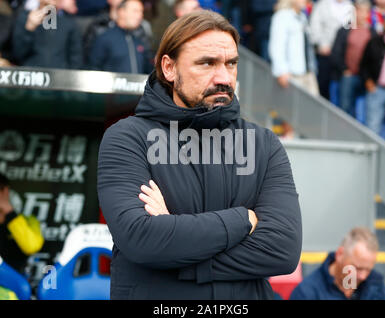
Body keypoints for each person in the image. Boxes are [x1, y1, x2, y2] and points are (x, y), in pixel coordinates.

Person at [97, 10, 302, 300]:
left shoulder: (263, 143)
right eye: (207, 63)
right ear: (169, 68)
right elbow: (141, 238)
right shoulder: (127, 138)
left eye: (231, 64)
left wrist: (177, 250)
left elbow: (282, 251)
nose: (223, 77)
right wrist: (242, 220)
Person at [290, 227, 385, 300]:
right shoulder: (306, 293)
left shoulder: (376, 283)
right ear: (340, 254)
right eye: (358, 268)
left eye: (368, 269)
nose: (363, 276)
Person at [331, 0, 376, 117]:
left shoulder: (373, 33)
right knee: (344, 109)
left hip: (365, 78)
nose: (362, 14)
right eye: (359, 10)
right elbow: (336, 53)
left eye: (365, 11)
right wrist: (344, 69)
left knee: (364, 113)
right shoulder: (345, 30)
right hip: (348, 76)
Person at [11, 0, 83, 69]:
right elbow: (18, 54)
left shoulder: (69, 24)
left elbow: (76, 59)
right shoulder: (24, 18)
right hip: (31, 74)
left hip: (60, 76)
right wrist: (29, 29)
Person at [88, 0, 154, 74]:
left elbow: (148, 69)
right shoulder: (104, 38)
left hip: (138, 84)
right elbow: (93, 68)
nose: (140, 15)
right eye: (135, 11)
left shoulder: (140, 39)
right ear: (122, 12)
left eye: (141, 12)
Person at [269, 0, 318, 96]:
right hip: (292, 75)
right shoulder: (281, 16)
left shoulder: (303, 17)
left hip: (307, 73)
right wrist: (281, 71)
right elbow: (276, 46)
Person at [0, 174, 44, 275]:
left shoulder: (28, 221)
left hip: (12, 284)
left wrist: (8, 211)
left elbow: (32, 246)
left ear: (5, 191)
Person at [309, 0, 354, 99]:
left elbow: (351, 29)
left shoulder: (350, 6)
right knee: (323, 84)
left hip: (341, 55)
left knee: (340, 87)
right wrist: (321, 44)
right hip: (325, 52)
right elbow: (314, 26)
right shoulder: (322, 4)